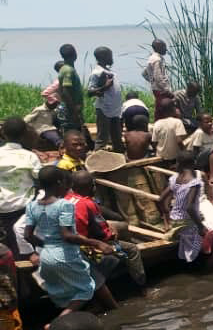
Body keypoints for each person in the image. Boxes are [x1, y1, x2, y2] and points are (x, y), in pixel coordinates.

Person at [23, 167, 117, 318]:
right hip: (65, 255)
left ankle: (87, 315)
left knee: (71, 292)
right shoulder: (63, 205)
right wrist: (97, 243)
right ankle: (58, 323)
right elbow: (67, 235)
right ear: (60, 183)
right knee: (87, 288)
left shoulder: (32, 206)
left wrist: (47, 246)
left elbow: (27, 235)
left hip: (45, 256)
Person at [66, 171, 146, 289]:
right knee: (133, 249)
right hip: (86, 243)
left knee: (121, 226)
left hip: (71, 238)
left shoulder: (67, 198)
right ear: (91, 187)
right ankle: (141, 285)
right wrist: (112, 236)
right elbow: (100, 233)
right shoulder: (88, 203)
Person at [158, 151, 213, 267]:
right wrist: (200, 227)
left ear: (178, 164)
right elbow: (190, 208)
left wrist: (167, 216)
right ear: (193, 164)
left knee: (207, 230)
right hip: (188, 221)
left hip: (175, 220)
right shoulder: (194, 182)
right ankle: (209, 270)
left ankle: (203, 247)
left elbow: (161, 200)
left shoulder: (174, 179)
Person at [0, 117, 41, 258]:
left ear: (3, 133)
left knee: (9, 242)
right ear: (24, 134)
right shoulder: (30, 157)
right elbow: (40, 178)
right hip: (23, 210)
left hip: (2, 210)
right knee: (23, 243)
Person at [87, 46, 123, 153]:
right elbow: (90, 92)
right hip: (104, 110)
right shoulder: (97, 73)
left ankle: (120, 159)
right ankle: (96, 160)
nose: (112, 58)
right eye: (109, 56)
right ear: (103, 57)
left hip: (114, 110)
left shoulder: (108, 71)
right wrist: (105, 87)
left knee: (117, 138)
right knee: (102, 138)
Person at [142, 39, 172, 121]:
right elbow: (158, 77)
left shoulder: (151, 58)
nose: (165, 49)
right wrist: (167, 90)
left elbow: (144, 74)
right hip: (161, 90)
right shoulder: (157, 60)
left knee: (159, 108)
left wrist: (152, 82)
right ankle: (160, 127)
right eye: (163, 47)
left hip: (156, 89)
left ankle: (158, 126)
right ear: (158, 47)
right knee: (163, 110)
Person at [150, 99, 186, 167]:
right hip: (175, 158)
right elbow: (179, 141)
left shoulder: (157, 123)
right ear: (173, 109)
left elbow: (154, 143)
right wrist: (185, 151)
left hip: (161, 158)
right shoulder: (177, 122)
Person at [57, 45, 84, 133]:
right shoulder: (68, 70)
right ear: (75, 55)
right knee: (72, 132)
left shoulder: (65, 69)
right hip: (70, 109)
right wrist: (74, 111)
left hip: (70, 108)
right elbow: (65, 92)